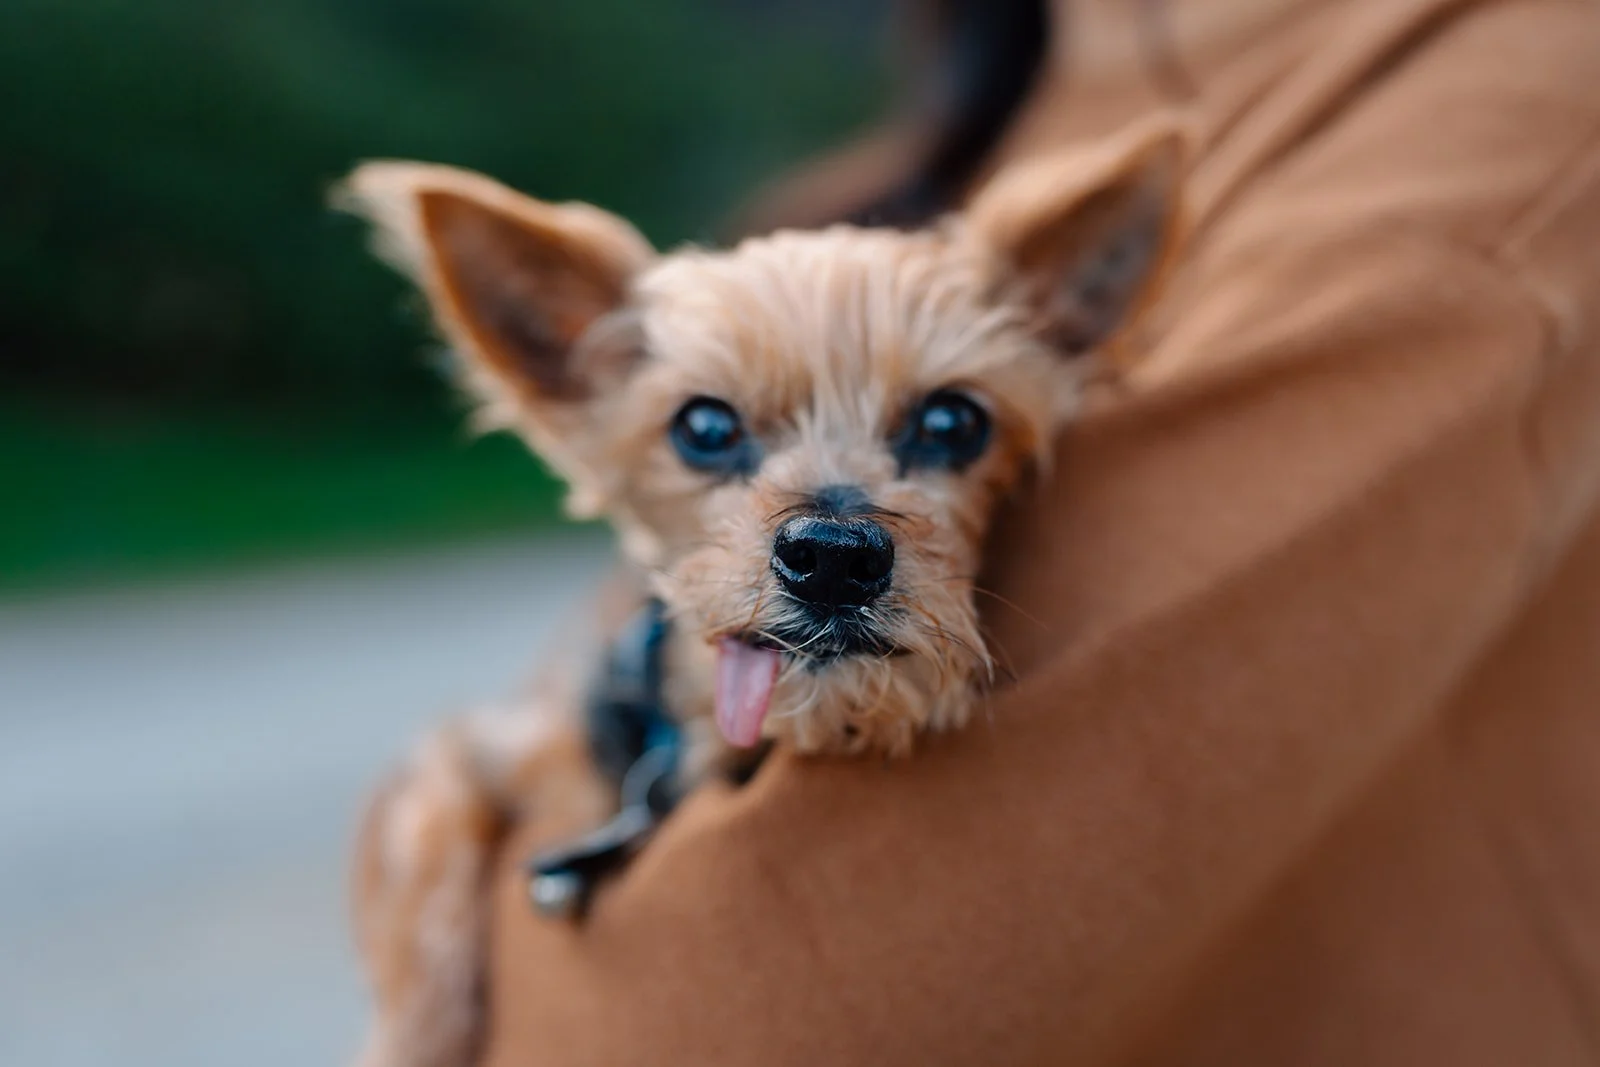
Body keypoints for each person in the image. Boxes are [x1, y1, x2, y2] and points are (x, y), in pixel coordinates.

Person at [473, 0, 1600, 1062]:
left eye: (947, 425)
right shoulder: (1005, 89)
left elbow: (770, 1014)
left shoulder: (1512, 106)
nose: (830, 530)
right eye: (716, 430)